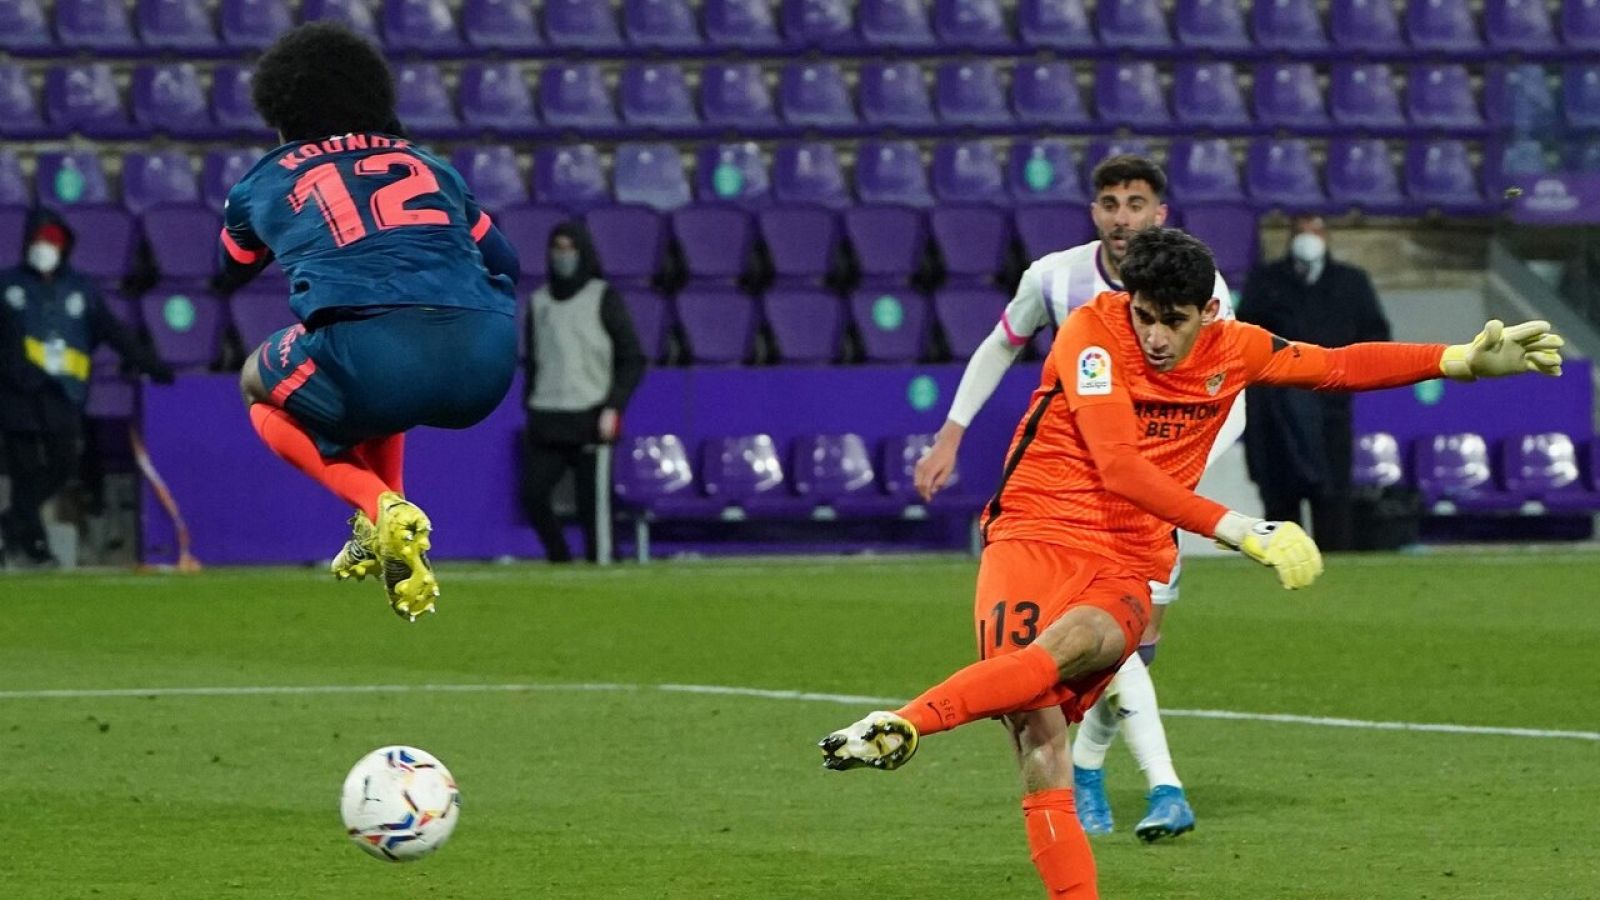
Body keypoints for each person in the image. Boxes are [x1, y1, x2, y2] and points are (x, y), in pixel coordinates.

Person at [819, 228, 1562, 899]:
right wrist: (1243, 529)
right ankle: (906, 729)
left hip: (1128, 554)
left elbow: (1333, 367)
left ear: (1207, 311)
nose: (1156, 334)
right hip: (1032, 533)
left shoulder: (1233, 346)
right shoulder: (1091, 335)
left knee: (1069, 657)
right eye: (1144, 313)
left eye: (1173, 319)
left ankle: (907, 722)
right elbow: (1118, 464)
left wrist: (1458, 359)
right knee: (1036, 738)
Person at [913, 154, 1237, 840]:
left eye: (1136, 204)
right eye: (1111, 204)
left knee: (1134, 651)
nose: (1124, 217)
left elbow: (1230, 388)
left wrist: (1182, 475)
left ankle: (1088, 768)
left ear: (1160, 214)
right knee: (1094, 651)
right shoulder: (1056, 278)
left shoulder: (1199, 288)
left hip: (1153, 497)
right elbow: (999, 345)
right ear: (1095, 212)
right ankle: (1161, 787)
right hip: (1075, 504)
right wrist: (951, 434)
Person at [217, 23, 521, 620]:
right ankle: (379, 525)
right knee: (374, 396)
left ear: (280, 111)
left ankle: (379, 505)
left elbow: (230, 268)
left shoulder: (261, 181)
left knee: (257, 381)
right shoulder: (430, 165)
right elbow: (506, 260)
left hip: (377, 351)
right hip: (488, 355)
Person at [0, 209, 174, 567]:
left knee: (64, 463)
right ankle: (35, 548)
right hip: (15, 393)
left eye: (52, 241)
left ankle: (13, 521)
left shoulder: (80, 289)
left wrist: (152, 364)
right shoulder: (7, 286)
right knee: (24, 471)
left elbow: (114, 333)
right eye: (39, 239)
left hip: (63, 393)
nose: (45, 247)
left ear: (64, 246)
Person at [1237, 214, 1392, 552]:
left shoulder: (1352, 282)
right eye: (1300, 230)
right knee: (1279, 496)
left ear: (1326, 236)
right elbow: (1242, 337)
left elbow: (1377, 335)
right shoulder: (1266, 281)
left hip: (1331, 406)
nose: (1307, 237)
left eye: (1315, 230)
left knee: (1332, 496)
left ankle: (1336, 572)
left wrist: (1348, 367)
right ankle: (1284, 564)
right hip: (1276, 409)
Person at [520, 221, 645, 563]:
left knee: (594, 507)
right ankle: (560, 560)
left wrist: (614, 406)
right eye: (556, 248)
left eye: (569, 248)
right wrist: (529, 405)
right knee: (532, 494)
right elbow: (534, 359)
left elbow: (632, 358)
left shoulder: (603, 297)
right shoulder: (539, 302)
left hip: (590, 414)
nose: (562, 256)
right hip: (547, 415)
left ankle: (602, 565)